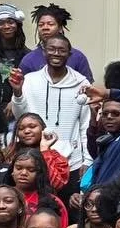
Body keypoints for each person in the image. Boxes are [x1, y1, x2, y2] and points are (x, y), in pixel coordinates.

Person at [9, 34, 92, 174]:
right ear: (44, 52)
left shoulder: (81, 84)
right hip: (34, 160)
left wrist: (87, 160)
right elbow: (21, 118)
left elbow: (86, 125)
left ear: (69, 54)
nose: (56, 53)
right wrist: (17, 93)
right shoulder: (29, 80)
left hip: (71, 162)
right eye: (52, 49)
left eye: (62, 50)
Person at [16, 3, 94, 80]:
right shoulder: (29, 59)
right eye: (41, 25)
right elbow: (22, 90)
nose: (45, 28)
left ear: (60, 28)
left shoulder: (78, 57)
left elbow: (87, 88)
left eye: (50, 24)